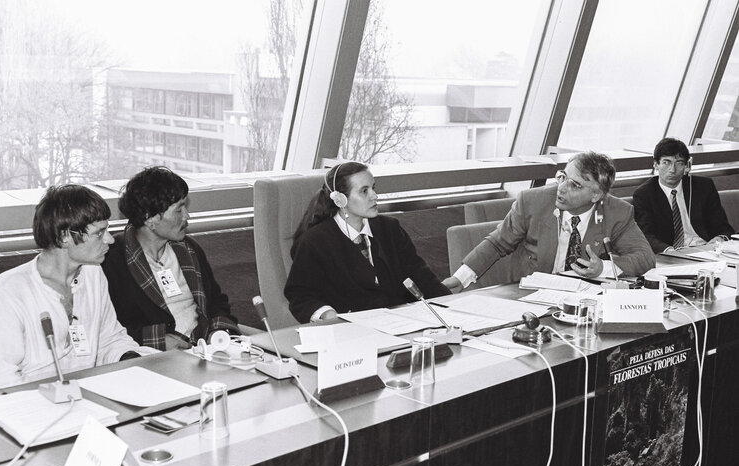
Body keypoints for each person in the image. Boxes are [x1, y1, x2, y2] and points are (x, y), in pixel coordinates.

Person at [0, 185, 157, 389]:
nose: (110, 239)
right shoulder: (8, 294)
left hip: (87, 399)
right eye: (100, 233)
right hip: (31, 408)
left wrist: (131, 360)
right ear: (64, 237)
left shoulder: (93, 274)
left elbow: (110, 339)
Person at [443, 151, 656, 292]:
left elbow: (645, 258)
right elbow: (498, 243)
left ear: (596, 195)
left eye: (575, 185)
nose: (562, 188)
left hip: (582, 300)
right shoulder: (532, 201)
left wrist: (604, 269)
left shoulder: (617, 212)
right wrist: (460, 278)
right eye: (562, 177)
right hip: (532, 295)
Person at [284, 161, 450, 324]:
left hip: (404, 323)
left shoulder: (389, 228)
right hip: (352, 332)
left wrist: (452, 305)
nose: (374, 196)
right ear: (340, 200)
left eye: (373, 188)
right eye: (364, 191)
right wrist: (327, 314)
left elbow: (420, 275)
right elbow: (301, 295)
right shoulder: (315, 241)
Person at [102, 166, 240, 351]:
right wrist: (157, 341)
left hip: (205, 349)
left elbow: (216, 301)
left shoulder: (189, 250)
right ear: (149, 218)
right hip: (152, 357)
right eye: (178, 210)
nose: (187, 216)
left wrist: (219, 331)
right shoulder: (112, 260)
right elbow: (108, 327)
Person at [632, 137, 734, 253]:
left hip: (706, 249)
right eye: (666, 163)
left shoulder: (703, 187)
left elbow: (722, 226)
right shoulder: (644, 194)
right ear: (656, 165)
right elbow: (647, 235)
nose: (672, 170)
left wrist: (719, 238)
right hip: (670, 253)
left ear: (686, 166)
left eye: (679, 163)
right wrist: (669, 251)